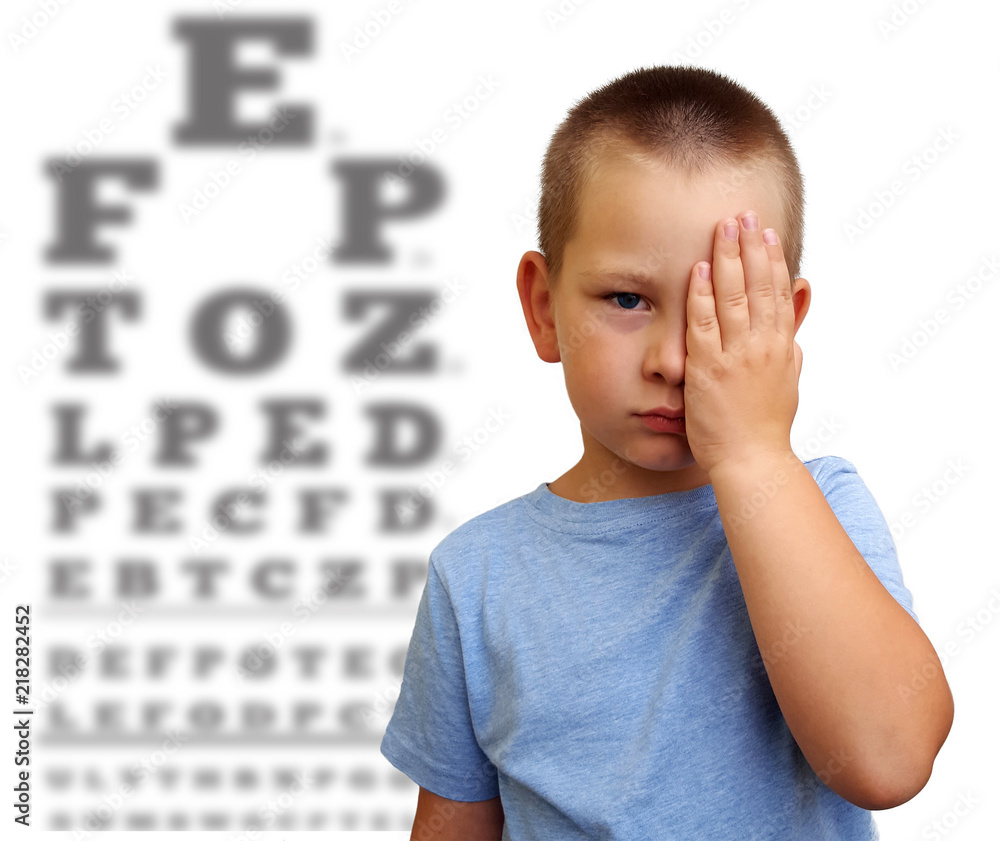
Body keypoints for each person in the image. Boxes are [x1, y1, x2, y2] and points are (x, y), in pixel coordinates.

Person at [379, 64, 954, 840]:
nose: (675, 360)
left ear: (785, 323)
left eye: (725, 306)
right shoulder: (475, 575)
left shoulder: (823, 506)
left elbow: (888, 760)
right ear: (544, 309)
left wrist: (753, 453)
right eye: (627, 299)